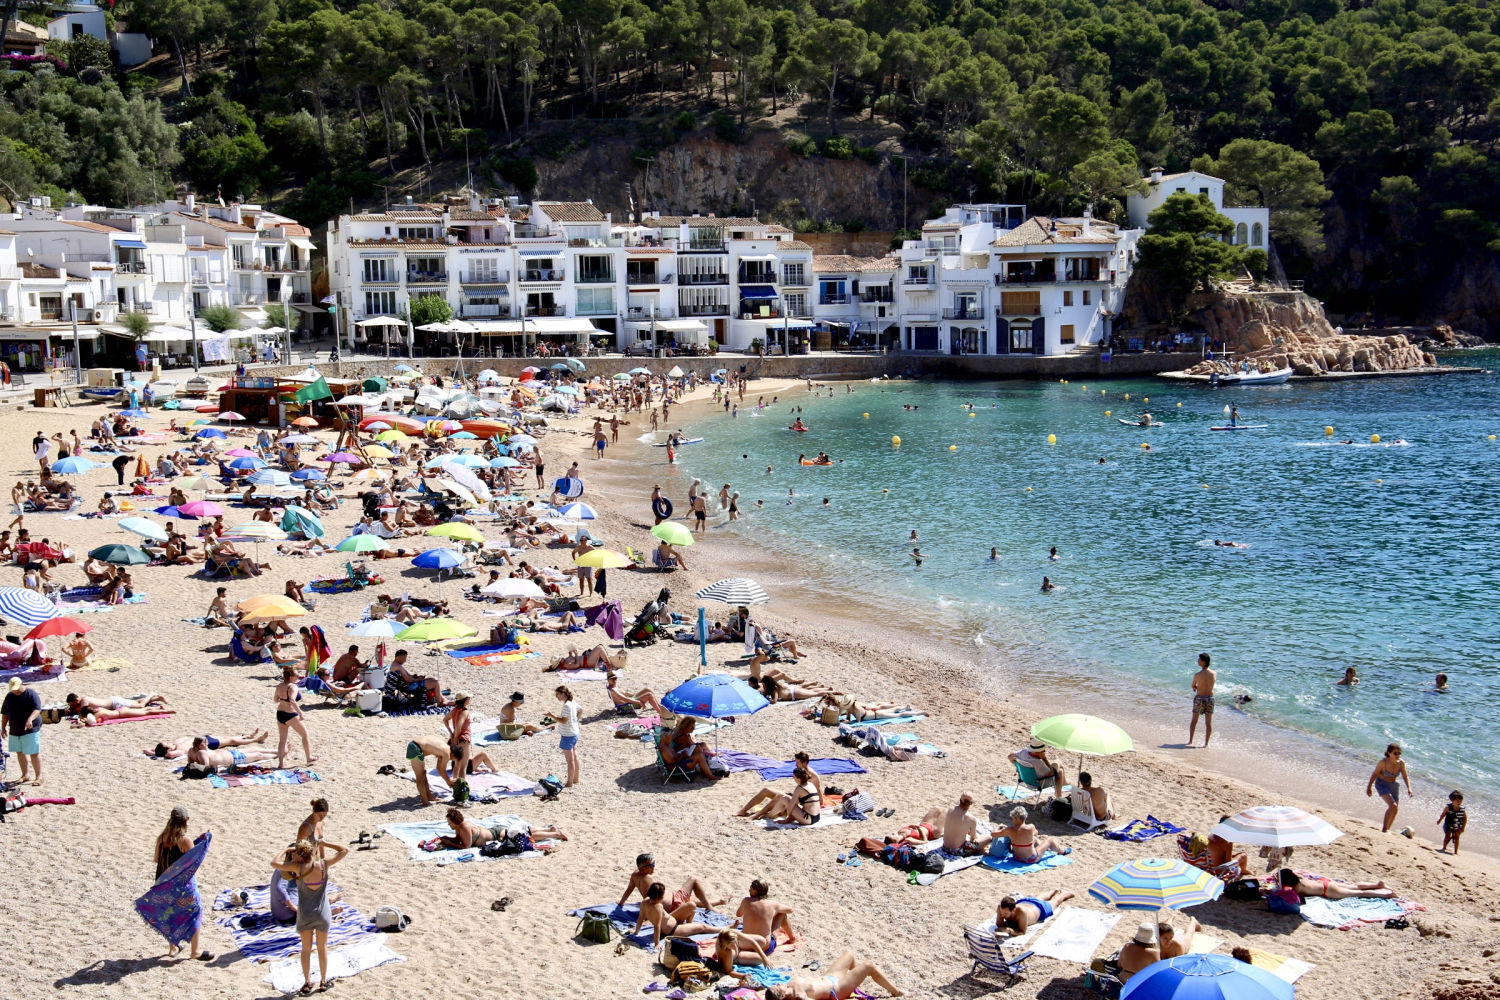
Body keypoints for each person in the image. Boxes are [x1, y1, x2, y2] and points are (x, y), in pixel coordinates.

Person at [269, 837, 349, 995]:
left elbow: (274, 863)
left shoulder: (298, 868)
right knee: (322, 948)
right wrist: (326, 843)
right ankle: (323, 982)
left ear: (299, 853)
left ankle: (307, 983)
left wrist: (286, 850)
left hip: (305, 913)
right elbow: (344, 850)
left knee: (305, 949)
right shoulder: (324, 864)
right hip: (322, 913)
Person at [153, 807, 213, 960]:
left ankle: (173, 948)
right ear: (185, 821)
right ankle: (195, 951)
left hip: (163, 883)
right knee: (195, 911)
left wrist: (196, 841)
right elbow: (193, 860)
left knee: (171, 913)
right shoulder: (184, 840)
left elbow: (156, 859)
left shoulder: (161, 838)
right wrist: (203, 843)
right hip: (181, 884)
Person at [765, 950, 903, 999]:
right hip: (836, 988)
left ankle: (856, 979)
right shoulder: (798, 997)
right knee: (868, 964)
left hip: (829, 977)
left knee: (849, 955)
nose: (777, 983)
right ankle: (896, 992)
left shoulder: (790, 984)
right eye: (777, 987)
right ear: (782, 996)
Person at [618, 853, 724, 909]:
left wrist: (622, 903)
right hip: (674, 903)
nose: (654, 867)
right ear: (644, 868)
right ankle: (710, 907)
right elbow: (653, 900)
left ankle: (719, 901)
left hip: (673, 900)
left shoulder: (635, 875)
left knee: (691, 898)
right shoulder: (648, 879)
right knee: (693, 879)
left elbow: (629, 890)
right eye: (652, 865)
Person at [735, 878, 799, 955]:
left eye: (751, 889)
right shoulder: (772, 904)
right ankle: (792, 938)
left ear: (756, 891)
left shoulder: (745, 901)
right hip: (764, 947)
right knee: (782, 914)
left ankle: (792, 938)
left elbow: (738, 914)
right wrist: (774, 911)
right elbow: (790, 910)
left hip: (745, 945)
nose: (749, 891)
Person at [991, 806, 1071, 862]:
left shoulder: (1009, 830)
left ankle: (1050, 849)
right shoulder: (1030, 827)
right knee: (1049, 840)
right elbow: (1036, 832)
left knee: (1033, 839)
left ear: (1015, 818)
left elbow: (993, 834)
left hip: (1017, 858)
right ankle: (1062, 851)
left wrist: (998, 827)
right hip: (1031, 859)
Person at [2, 676, 42, 785]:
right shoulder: (9, 696)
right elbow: (5, 713)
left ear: (21, 684)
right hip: (15, 728)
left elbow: (37, 709)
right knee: (20, 752)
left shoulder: (31, 694)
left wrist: (30, 719)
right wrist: (3, 727)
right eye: (13, 689)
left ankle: (39, 777)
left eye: (17, 688)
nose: (15, 691)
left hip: (31, 728)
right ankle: (25, 775)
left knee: (34, 752)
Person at [274, 664, 315, 769]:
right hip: (290, 714)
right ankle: (309, 757)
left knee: (282, 740)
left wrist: (283, 700)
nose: (298, 677)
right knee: (305, 735)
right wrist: (300, 712)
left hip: (280, 713)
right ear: (291, 676)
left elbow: (275, 700)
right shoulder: (292, 686)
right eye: (297, 675)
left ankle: (281, 763)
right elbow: (292, 700)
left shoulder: (279, 685)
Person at [1367, 743, 1413, 832]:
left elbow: (1405, 776)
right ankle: (1384, 829)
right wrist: (1369, 787)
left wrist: (1409, 788)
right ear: (1389, 753)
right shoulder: (1383, 762)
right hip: (1382, 784)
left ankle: (1388, 828)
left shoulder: (1401, 763)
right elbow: (1375, 774)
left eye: (1399, 753)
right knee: (1393, 805)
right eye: (1395, 753)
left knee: (1395, 809)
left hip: (1393, 785)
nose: (1398, 755)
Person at [1277, 867, 1394, 899]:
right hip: (1325, 882)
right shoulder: (1299, 879)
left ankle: (1386, 894)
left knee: (1358, 893)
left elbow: (1295, 897)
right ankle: (1377, 885)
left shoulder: (1296, 889)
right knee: (1354, 886)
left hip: (1328, 890)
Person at [994, 890, 1073, 936]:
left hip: (1040, 909)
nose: (1002, 915)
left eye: (1005, 914)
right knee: (1037, 898)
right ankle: (1053, 891)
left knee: (1055, 902)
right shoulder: (1000, 908)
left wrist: (1010, 931)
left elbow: (1022, 932)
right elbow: (999, 925)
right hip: (1025, 902)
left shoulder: (1022, 913)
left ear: (1013, 910)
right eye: (1002, 913)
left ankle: (1065, 893)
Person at [405, 736, 455, 806]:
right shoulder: (447, 754)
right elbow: (442, 770)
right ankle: (425, 801)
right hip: (415, 748)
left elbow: (439, 768)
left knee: (423, 773)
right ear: (453, 754)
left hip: (416, 745)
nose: (450, 760)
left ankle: (429, 796)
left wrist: (448, 780)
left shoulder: (445, 747)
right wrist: (448, 781)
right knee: (420, 776)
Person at [187, 737, 285, 771]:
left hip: (230, 753)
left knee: (253, 748)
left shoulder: (192, 750)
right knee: (258, 755)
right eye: (206, 743)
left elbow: (189, 764)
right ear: (200, 745)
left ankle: (278, 750)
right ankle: (281, 754)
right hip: (233, 759)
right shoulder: (201, 753)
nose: (208, 744)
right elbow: (205, 768)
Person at [151, 731, 269, 759]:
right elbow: (169, 755)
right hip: (204, 744)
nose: (169, 743)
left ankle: (247, 736)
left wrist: (154, 752)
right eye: (167, 744)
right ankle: (256, 740)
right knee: (231, 741)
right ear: (167, 749)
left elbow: (148, 750)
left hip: (202, 738)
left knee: (225, 737)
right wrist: (164, 753)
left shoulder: (175, 744)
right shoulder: (179, 749)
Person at [555, 685, 581, 787]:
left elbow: (563, 720)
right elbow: (580, 710)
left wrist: (552, 716)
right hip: (575, 732)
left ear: (562, 694)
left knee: (570, 761)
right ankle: (576, 779)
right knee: (575, 756)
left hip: (568, 735)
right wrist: (575, 721)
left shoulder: (566, 706)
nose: (556, 696)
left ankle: (570, 782)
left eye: (557, 694)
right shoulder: (572, 702)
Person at [444, 692, 473, 784]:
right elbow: (458, 726)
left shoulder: (455, 710)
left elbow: (445, 719)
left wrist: (451, 734)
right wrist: (455, 737)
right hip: (463, 739)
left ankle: (455, 784)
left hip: (456, 738)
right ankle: (461, 787)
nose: (469, 700)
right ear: (465, 700)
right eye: (468, 698)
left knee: (457, 764)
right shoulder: (464, 712)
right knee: (463, 766)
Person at [1189, 652, 1216, 747]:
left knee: (1194, 720)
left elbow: (1193, 685)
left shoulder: (1197, 675)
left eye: (1199, 659)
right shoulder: (1214, 673)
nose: (1198, 661)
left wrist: (1196, 687)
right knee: (1208, 723)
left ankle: (1190, 740)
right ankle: (1206, 744)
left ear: (1203, 662)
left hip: (1199, 698)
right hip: (1210, 699)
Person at [1439, 790, 1467, 854]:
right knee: (1447, 836)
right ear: (1452, 800)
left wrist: (1463, 827)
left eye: (1460, 801)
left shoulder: (1462, 809)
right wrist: (1439, 820)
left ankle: (1456, 851)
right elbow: (1443, 814)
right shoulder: (1448, 807)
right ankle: (1444, 847)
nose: (1459, 802)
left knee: (1457, 837)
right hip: (1448, 824)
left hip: (1457, 825)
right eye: (1457, 801)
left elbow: (1465, 819)